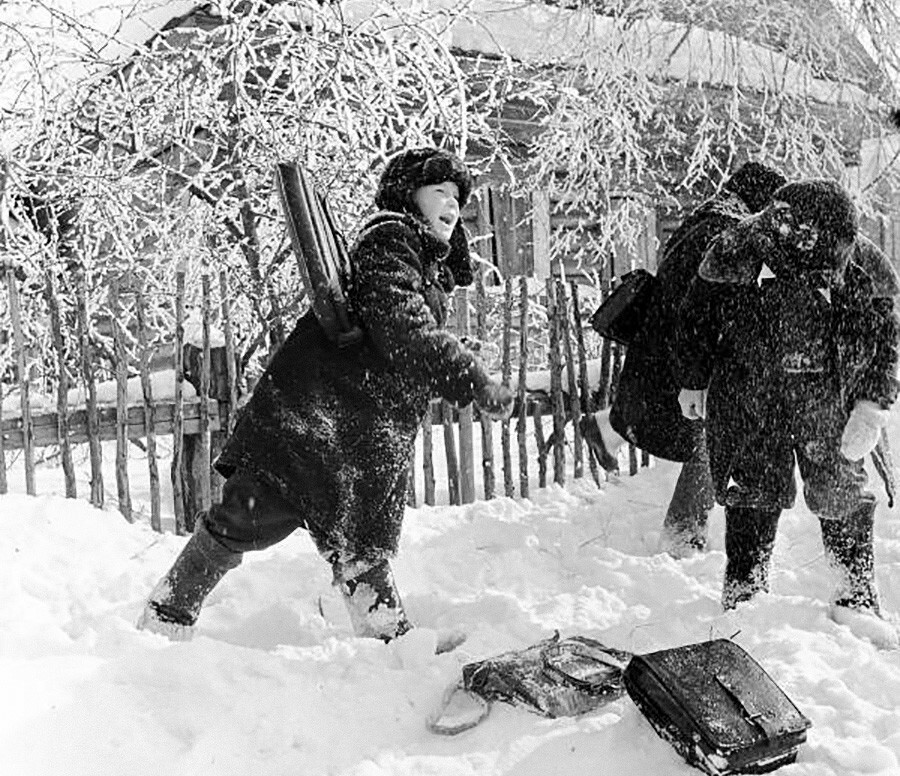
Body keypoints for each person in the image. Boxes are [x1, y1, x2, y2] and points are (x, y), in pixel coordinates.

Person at [137, 147, 514, 646]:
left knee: (361, 535)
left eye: (456, 197)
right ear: (409, 196)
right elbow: (401, 324)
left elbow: (399, 330)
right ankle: (167, 612)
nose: (451, 203)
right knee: (249, 515)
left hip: (350, 425)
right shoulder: (391, 240)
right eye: (438, 191)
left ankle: (388, 638)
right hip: (319, 423)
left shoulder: (417, 256)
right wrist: (469, 376)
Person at [673, 179, 900, 649]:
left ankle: (854, 597)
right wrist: (692, 377)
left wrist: (873, 405)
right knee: (753, 487)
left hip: (830, 392)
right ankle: (744, 594)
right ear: (793, 234)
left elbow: (886, 337)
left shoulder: (863, 262)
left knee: (841, 485)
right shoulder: (736, 250)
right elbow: (696, 317)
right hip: (751, 392)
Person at [581, 161, 787, 557]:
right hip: (689, 348)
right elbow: (713, 301)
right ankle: (683, 534)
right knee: (712, 438)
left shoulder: (705, 221)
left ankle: (607, 429)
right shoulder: (724, 233)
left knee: (673, 419)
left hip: (665, 342)